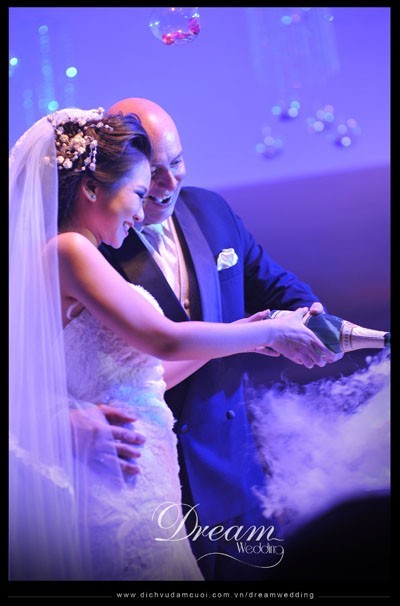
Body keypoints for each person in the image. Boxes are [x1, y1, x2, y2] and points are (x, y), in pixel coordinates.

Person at [9, 107, 334, 582]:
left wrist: (244, 340)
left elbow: (143, 374)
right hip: (123, 485)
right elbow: (162, 337)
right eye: (137, 193)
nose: (142, 211)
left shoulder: (77, 250)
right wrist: (264, 332)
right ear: (92, 188)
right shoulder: (70, 250)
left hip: (147, 477)